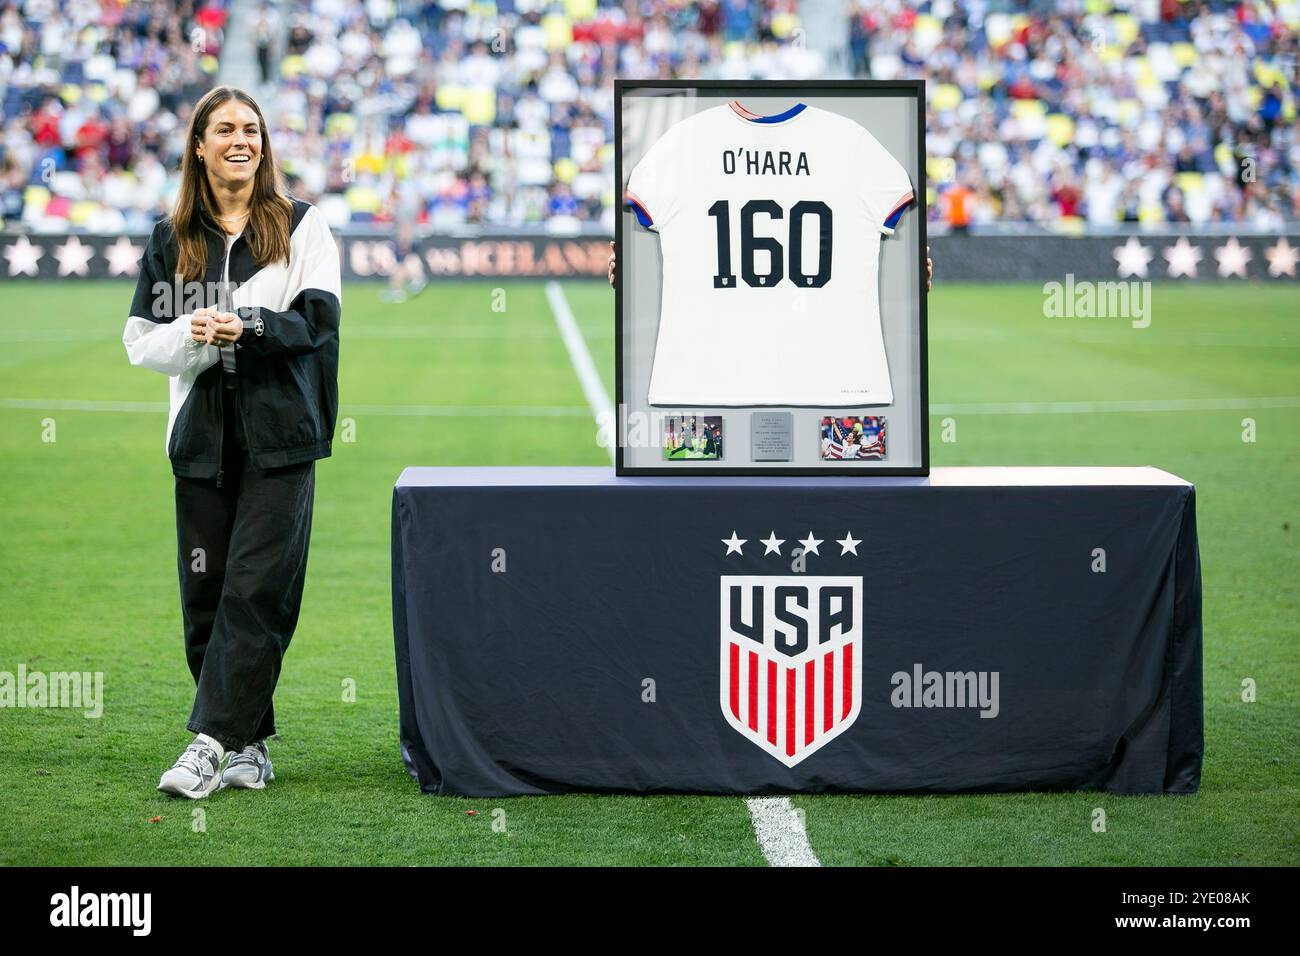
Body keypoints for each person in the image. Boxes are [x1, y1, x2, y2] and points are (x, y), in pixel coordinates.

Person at [122, 86, 342, 799]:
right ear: (199, 144)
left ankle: (209, 744)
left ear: (263, 144)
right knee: (206, 601)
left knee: (255, 591)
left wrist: (246, 323)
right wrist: (193, 332)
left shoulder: (303, 227)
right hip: (201, 439)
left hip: (282, 438)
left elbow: (318, 324)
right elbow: (140, 344)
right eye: (225, 129)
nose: (240, 139)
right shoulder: (170, 238)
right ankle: (250, 744)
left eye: (251, 128)